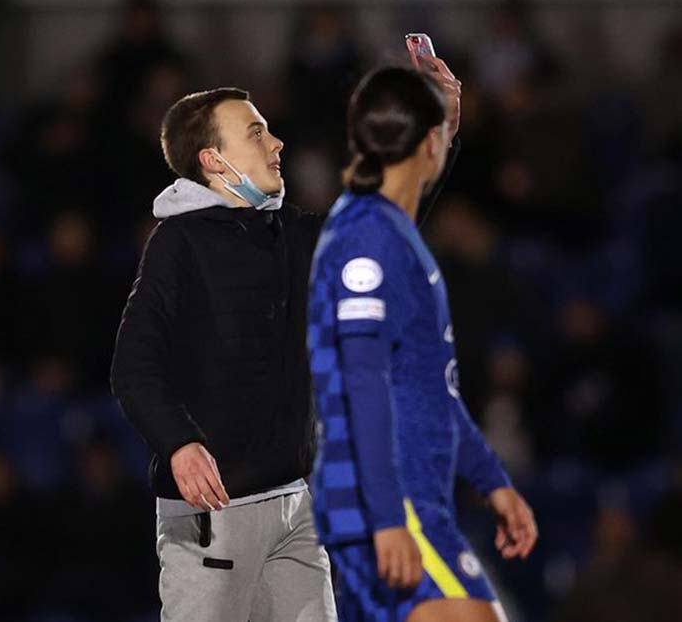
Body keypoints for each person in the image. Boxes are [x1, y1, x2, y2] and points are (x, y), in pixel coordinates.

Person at [307, 66, 538, 622]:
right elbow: (362, 382)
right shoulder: (369, 240)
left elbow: (430, 386)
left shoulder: (388, 230)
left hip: (404, 496)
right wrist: (389, 518)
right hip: (391, 500)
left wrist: (492, 481)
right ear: (430, 142)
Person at [110, 87, 337, 622]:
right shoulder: (178, 243)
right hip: (214, 513)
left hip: (295, 504)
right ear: (214, 160)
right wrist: (179, 443)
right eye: (256, 133)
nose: (276, 143)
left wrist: (436, 129)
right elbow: (133, 365)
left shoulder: (291, 235)